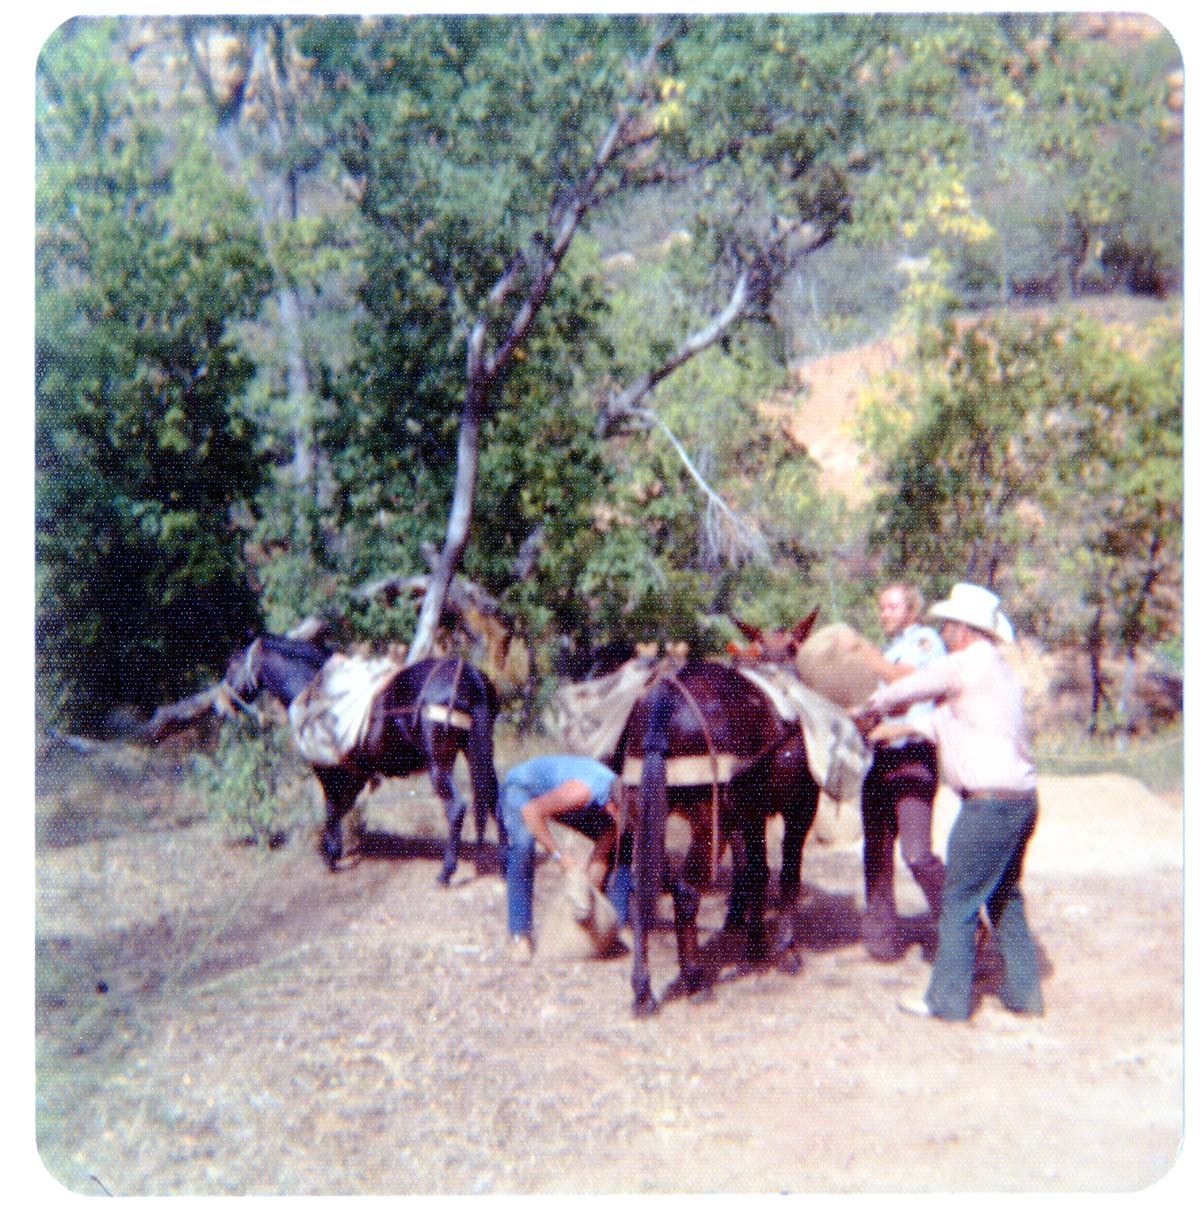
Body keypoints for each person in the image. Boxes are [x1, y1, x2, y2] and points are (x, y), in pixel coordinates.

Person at [853, 583, 1044, 1022]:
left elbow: (915, 685)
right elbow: (939, 723)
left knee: (958, 899)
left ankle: (947, 1000)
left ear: (964, 629)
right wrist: (892, 731)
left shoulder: (963, 663)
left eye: (949, 624)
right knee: (1004, 897)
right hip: (1021, 800)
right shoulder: (995, 671)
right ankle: (1024, 993)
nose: (944, 630)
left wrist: (872, 705)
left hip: (989, 805)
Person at [859, 582, 947, 961]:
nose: (884, 614)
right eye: (881, 608)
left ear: (912, 611)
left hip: (912, 756)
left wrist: (864, 656)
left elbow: (909, 681)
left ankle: (962, 927)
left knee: (916, 853)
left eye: (892, 607)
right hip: (879, 758)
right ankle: (881, 941)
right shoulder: (890, 650)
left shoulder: (926, 641)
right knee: (876, 852)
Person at [499, 753, 632, 962]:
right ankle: (519, 936)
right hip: (522, 790)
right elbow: (532, 812)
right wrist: (559, 857)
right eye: (619, 817)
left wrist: (587, 894)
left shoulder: (620, 800)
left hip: (556, 796)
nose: (620, 822)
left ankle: (614, 926)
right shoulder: (581, 792)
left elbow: (601, 856)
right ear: (612, 807)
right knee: (523, 846)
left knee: (623, 842)